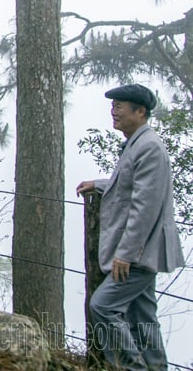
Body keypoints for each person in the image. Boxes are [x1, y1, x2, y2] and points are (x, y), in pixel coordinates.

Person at [76, 83, 184, 371]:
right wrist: (99, 184)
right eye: (113, 106)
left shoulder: (149, 147)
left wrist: (125, 254)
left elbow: (144, 208)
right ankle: (156, 367)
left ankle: (132, 367)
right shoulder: (138, 142)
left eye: (120, 106)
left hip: (138, 251)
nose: (114, 111)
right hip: (141, 251)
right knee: (143, 314)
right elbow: (128, 185)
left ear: (141, 111)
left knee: (103, 306)